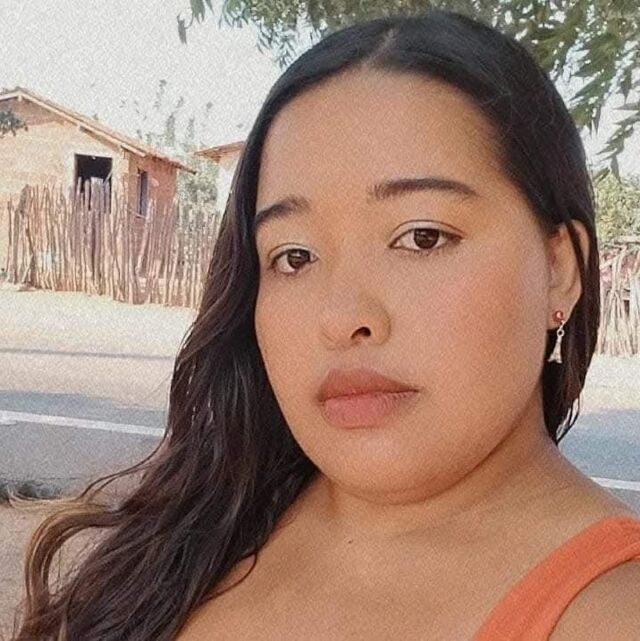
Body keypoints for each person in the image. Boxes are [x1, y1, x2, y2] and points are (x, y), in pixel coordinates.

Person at [9, 9, 640, 641]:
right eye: (295, 257)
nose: (342, 318)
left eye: (422, 237)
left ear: (560, 269)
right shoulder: (196, 531)